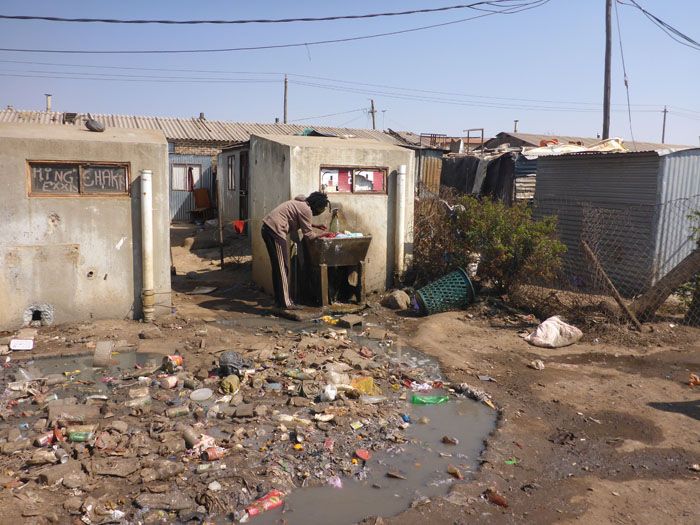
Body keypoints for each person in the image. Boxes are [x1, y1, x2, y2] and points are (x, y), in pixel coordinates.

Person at [261, 192, 329, 309]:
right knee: (283, 268)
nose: (320, 210)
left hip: (268, 229)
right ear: (316, 205)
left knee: (279, 268)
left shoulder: (300, 203)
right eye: (321, 208)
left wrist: (315, 226)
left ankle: (279, 301)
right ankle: (286, 304)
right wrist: (323, 235)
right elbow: (308, 235)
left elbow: (301, 219)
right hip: (275, 231)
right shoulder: (306, 209)